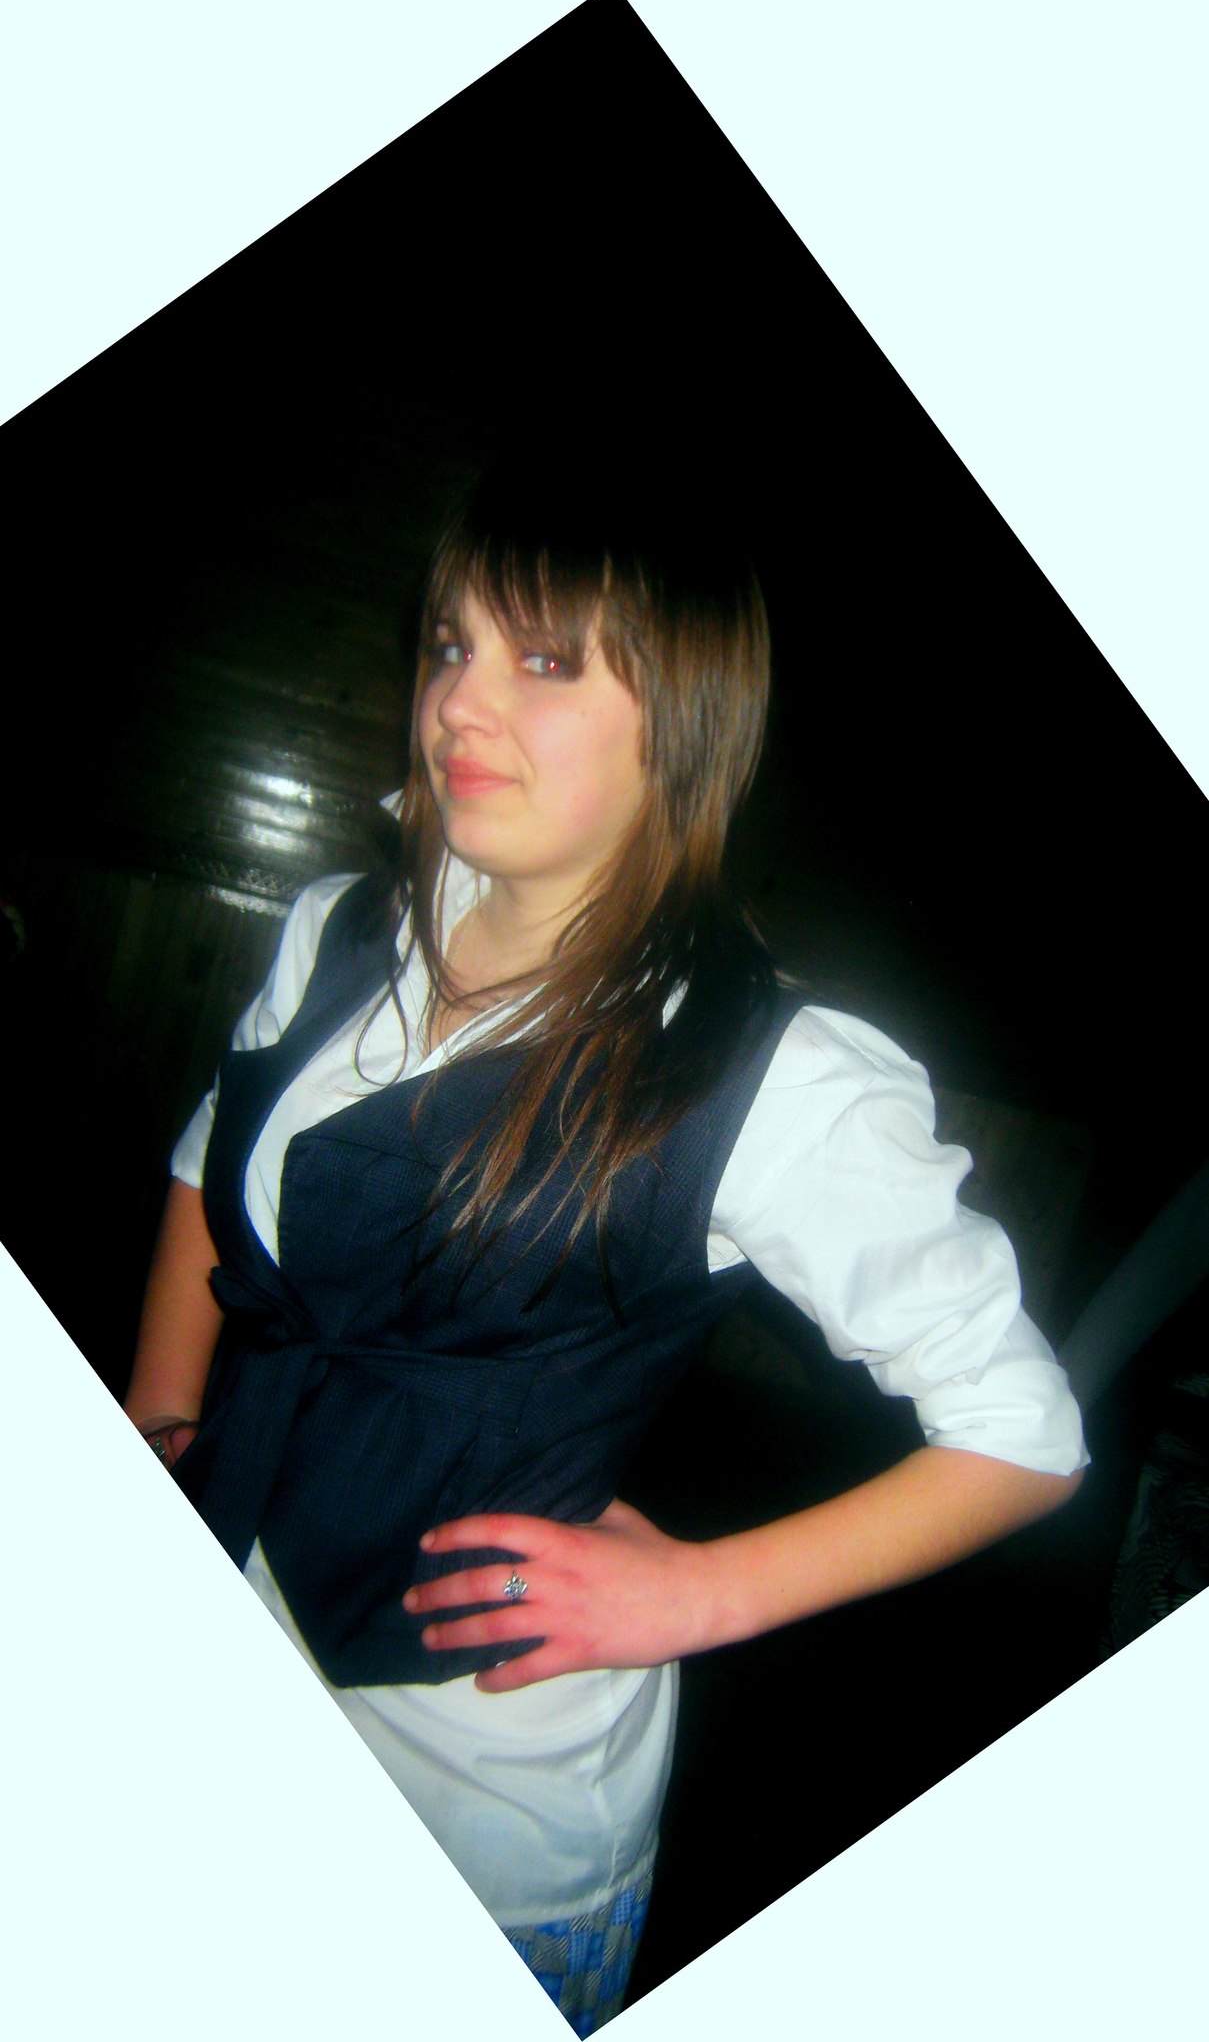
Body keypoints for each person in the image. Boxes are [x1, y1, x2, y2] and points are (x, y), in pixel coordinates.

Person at [125, 461, 1087, 2035]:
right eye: (450, 644)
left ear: (682, 727)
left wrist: (698, 1595)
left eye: (544, 660)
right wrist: (163, 1412)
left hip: (482, 1803)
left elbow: (1023, 1437)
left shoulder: (772, 1076)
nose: (458, 700)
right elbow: (207, 1162)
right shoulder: (338, 929)